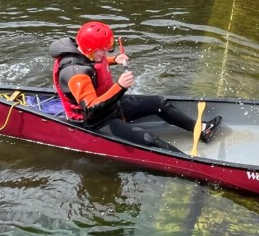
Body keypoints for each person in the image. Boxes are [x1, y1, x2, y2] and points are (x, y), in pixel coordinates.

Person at [50, 21, 220, 152]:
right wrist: (120, 86)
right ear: (90, 49)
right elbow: (92, 109)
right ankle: (187, 163)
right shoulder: (75, 74)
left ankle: (202, 129)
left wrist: (114, 60)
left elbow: (95, 62)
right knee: (148, 139)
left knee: (159, 104)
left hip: (111, 105)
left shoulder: (86, 52)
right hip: (95, 120)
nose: (105, 54)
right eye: (103, 51)